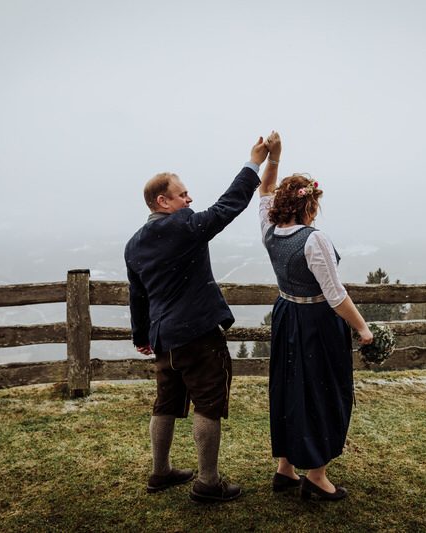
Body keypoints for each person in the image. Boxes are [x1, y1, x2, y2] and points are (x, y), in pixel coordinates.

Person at [124, 135, 270, 503]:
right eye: (183, 194)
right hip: (198, 336)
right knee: (208, 403)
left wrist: (142, 336)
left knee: (165, 403)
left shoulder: (134, 244)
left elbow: (138, 295)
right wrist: (254, 163)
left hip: (163, 339)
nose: (189, 200)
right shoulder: (184, 226)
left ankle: (160, 472)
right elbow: (228, 206)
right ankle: (208, 482)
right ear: (163, 201)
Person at [258, 131, 373, 501]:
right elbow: (335, 296)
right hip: (317, 323)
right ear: (307, 206)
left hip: (286, 315)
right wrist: (362, 328)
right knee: (324, 391)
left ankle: (285, 469)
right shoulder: (313, 239)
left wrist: (274, 157)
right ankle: (317, 476)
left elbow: (264, 191)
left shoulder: (269, 230)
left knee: (290, 388)